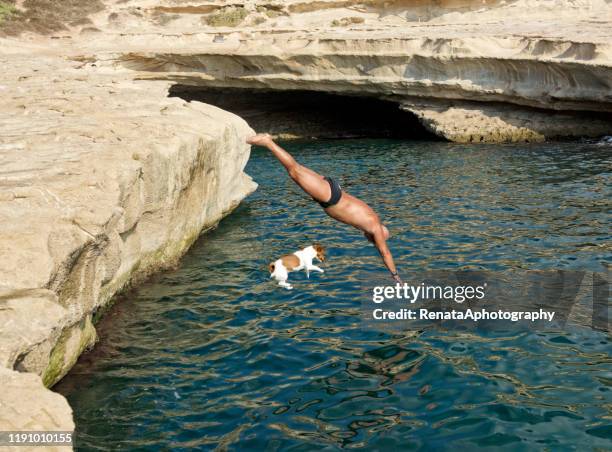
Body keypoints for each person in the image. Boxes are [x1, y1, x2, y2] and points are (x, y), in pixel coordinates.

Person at [247, 133, 401, 283]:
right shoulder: (374, 227)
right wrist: (395, 275)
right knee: (294, 171)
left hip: (332, 190)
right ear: (378, 234)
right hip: (330, 196)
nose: (372, 241)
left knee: (297, 169)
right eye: (374, 241)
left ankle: (268, 141)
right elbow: (385, 252)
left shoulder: (371, 221)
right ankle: (268, 142)